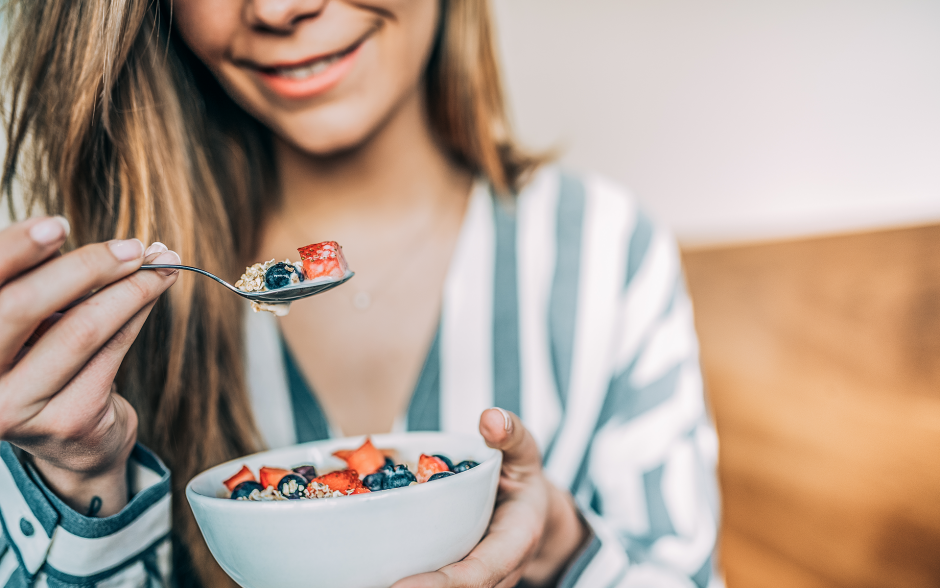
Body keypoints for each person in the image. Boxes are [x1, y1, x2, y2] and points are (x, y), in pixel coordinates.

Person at [0, 1, 722, 586]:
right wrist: (78, 478)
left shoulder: (607, 251)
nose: (281, 9)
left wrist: (557, 545)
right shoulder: (103, 320)